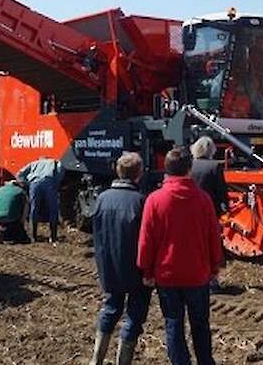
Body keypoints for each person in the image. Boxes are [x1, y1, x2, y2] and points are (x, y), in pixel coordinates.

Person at [138, 146, 222, 365]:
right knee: (200, 324)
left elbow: (146, 241)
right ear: (189, 169)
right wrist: (214, 267)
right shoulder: (203, 199)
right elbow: (213, 236)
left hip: (167, 275)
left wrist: (146, 270)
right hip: (197, 273)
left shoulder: (154, 200)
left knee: (173, 323)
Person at [89, 152, 152, 365]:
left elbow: (96, 233)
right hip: (135, 269)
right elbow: (146, 239)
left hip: (109, 266)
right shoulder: (141, 201)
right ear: (139, 173)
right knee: (134, 316)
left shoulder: (102, 198)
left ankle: (96, 358)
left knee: (110, 308)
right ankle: (123, 361)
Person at [189, 136, 228, 293]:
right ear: (211, 150)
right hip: (209, 214)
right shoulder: (215, 167)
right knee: (210, 248)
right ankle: (211, 281)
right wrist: (225, 208)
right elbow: (221, 192)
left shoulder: (189, 166)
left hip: (190, 213)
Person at [17, 156, 64, 243]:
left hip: (34, 184)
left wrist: (26, 184)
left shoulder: (34, 163)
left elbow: (19, 174)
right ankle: (53, 237)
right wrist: (56, 182)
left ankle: (33, 236)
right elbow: (60, 169)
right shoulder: (54, 162)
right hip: (49, 183)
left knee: (34, 208)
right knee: (52, 209)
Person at [0, 178, 30, 244]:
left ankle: (3, 232)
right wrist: (22, 223)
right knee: (21, 236)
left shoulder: (0, 190)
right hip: (11, 218)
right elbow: (25, 209)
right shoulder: (21, 191)